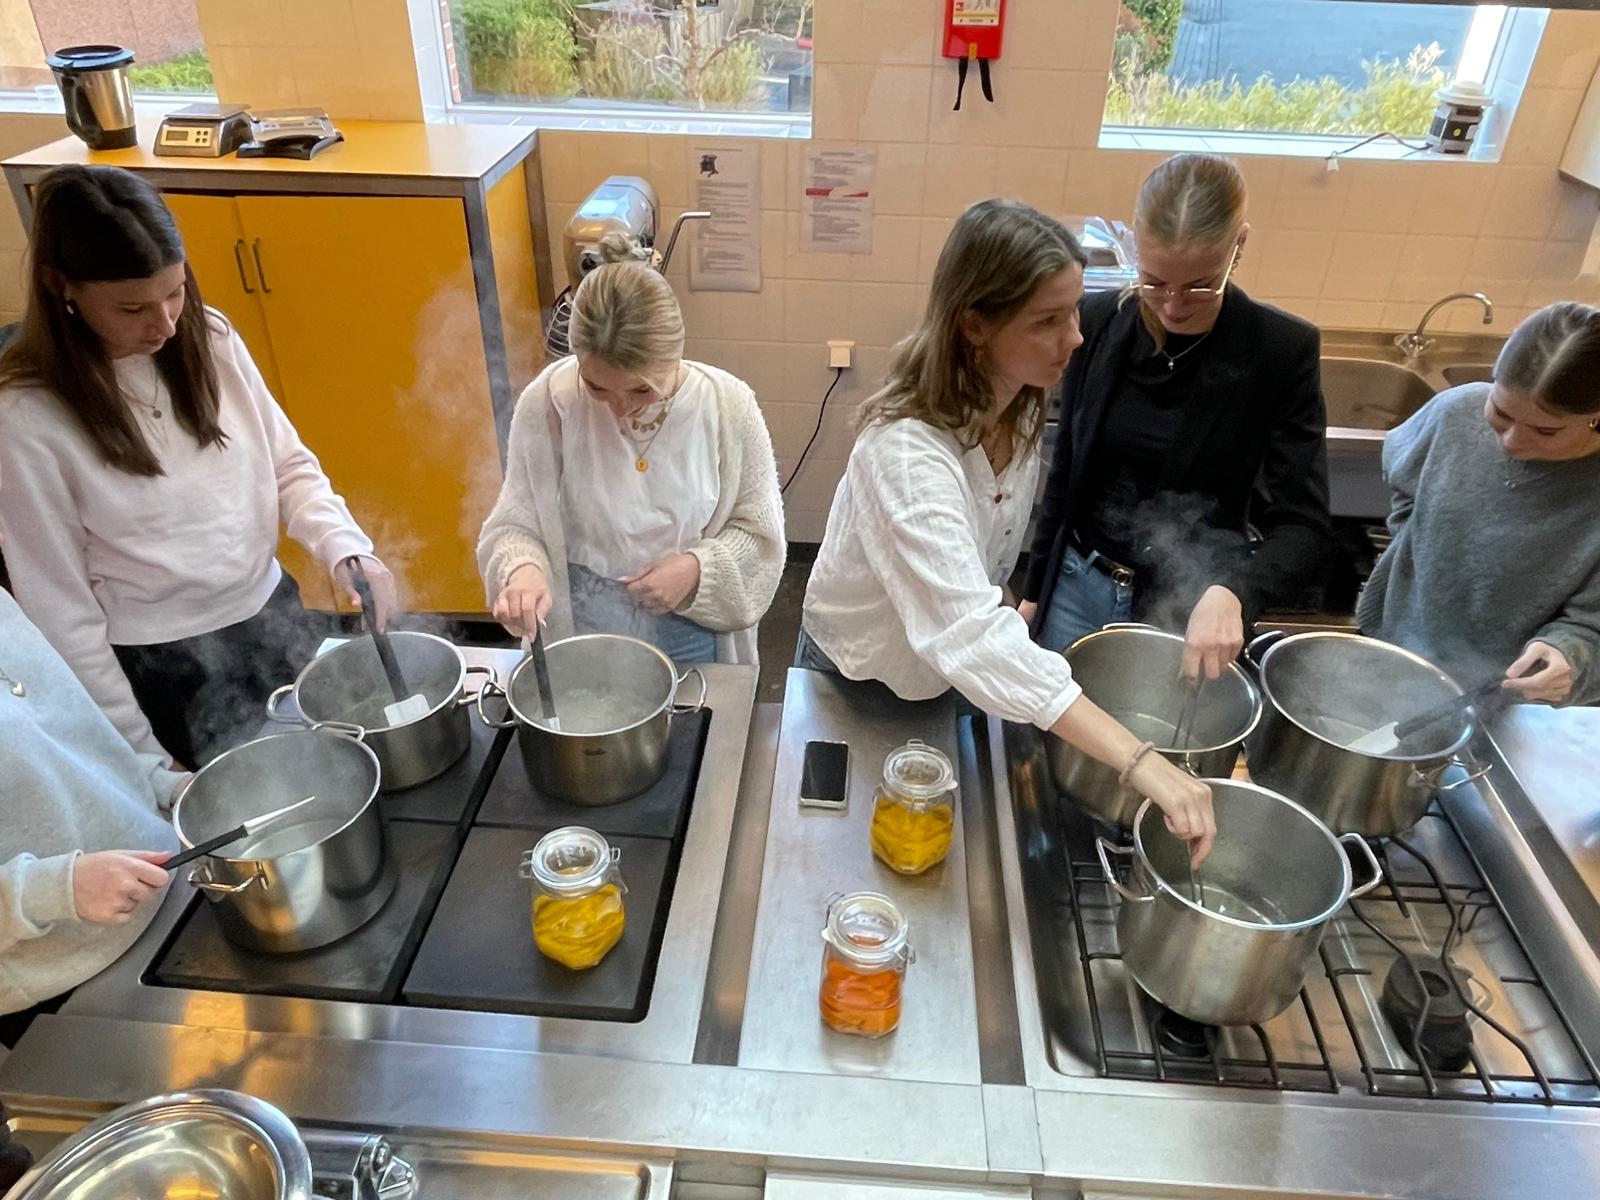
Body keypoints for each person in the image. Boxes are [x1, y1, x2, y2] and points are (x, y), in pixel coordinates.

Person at [800, 199, 1215, 863]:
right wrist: (1143, 763)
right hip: (860, 677)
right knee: (842, 846)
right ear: (973, 324)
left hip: (941, 677)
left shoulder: (1017, 403)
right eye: (1047, 321)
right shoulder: (905, 452)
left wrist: (1003, 596)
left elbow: (973, 567)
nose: (1074, 338)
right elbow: (968, 633)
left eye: (1073, 312)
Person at [0, 165, 397, 768]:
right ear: (63, 289)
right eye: (132, 307)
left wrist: (345, 546)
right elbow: (61, 611)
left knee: (330, 771)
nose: (164, 324)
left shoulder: (209, 340)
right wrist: (144, 759)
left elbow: (288, 464)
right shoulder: (27, 418)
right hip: (164, 669)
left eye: (175, 291)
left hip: (271, 613)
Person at [1022, 153, 1331, 680]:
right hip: (1075, 586)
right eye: (1155, 281)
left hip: (1187, 610)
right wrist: (1035, 592)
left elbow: (1303, 526)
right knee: (1058, 723)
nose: (1173, 306)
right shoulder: (1097, 322)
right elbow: (1068, 471)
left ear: (1239, 246)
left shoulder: (1279, 351)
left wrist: (1235, 590)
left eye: (1200, 286)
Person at [479, 254, 785, 664]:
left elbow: (760, 536)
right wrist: (523, 569)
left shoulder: (728, 406)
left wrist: (697, 569)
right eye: (597, 388)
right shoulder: (549, 402)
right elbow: (515, 523)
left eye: (642, 390)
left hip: (693, 624)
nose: (621, 409)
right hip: (582, 618)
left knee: (698, 706)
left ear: (675, 357)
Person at [1359, 303, 1600, 705]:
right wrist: (1410, 541)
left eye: (1546, 431)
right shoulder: (1455, 412)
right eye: (1501, 413)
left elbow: (1592, 627)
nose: (1512, 442)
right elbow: (1405, 487)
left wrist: (1569, 655)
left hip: (1506, 697)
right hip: (1392, 647)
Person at [0, 585, 182, 1050]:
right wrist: (54, 889)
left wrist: (160, 783)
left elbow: (66, 731)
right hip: (64, 981)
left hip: (170, 889)